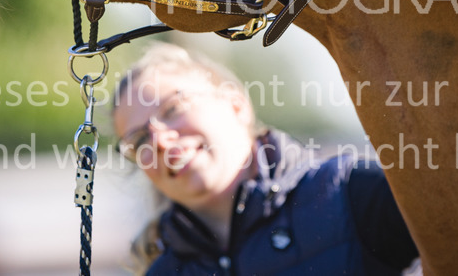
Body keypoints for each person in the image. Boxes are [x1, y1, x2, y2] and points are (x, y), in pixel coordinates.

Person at [111, 43, 419, 275]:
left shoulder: (354, 195)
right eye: (139, 140)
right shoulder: (165, 271)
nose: (160, 141)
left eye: (173, 109)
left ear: (236, 105)